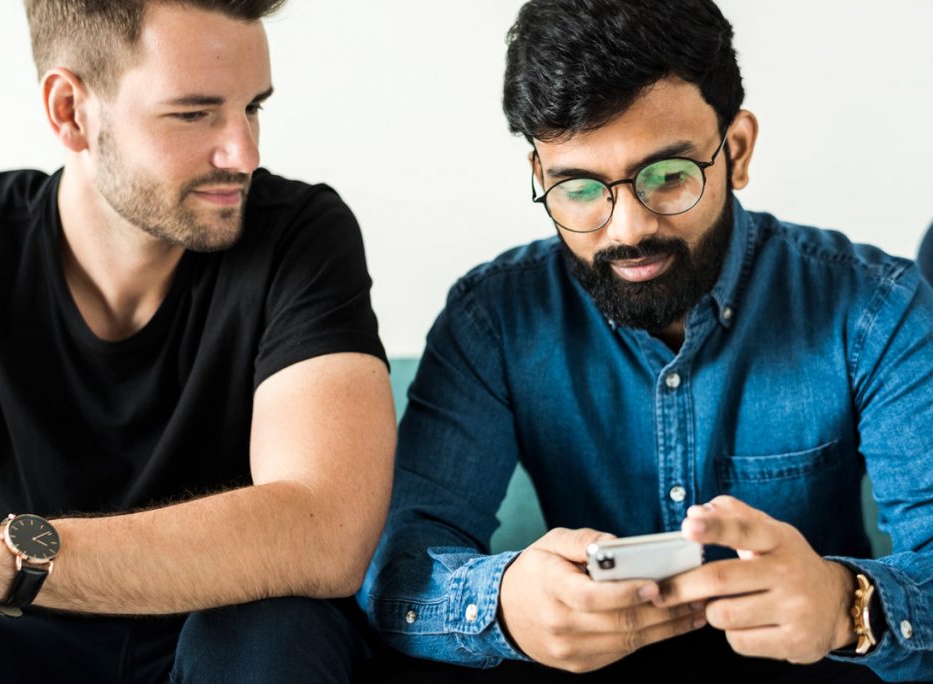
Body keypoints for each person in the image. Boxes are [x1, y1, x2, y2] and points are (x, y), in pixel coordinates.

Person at [359, 0, 933, 681]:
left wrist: (849, 606)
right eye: (579, 188)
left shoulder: (876, 307)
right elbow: (399, 571)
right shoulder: (494, 318)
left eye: (668, 177)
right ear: (539, 178)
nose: (626, 229)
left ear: (737, 151)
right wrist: (505, 603)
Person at [0, 1, 395, 682]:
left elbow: (326, 531)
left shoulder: (299, 237)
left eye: (252, 107)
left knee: (274, 629)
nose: (244, 154)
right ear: (71, 112)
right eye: (194, 114)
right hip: (16, 640)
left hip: (235, 634)